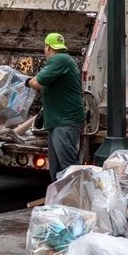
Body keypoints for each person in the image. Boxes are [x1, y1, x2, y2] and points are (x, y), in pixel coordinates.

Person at [27, 33, 86, 182]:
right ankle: (61, 201)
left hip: (65, 122)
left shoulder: (59, 60)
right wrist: (43, 112)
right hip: (60, 121)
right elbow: (57, 91)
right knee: (57, 169)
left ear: (47, 47)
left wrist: (27, 81)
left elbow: (36, 84)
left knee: (67, 167)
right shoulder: (64, 60)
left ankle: (78, 199)